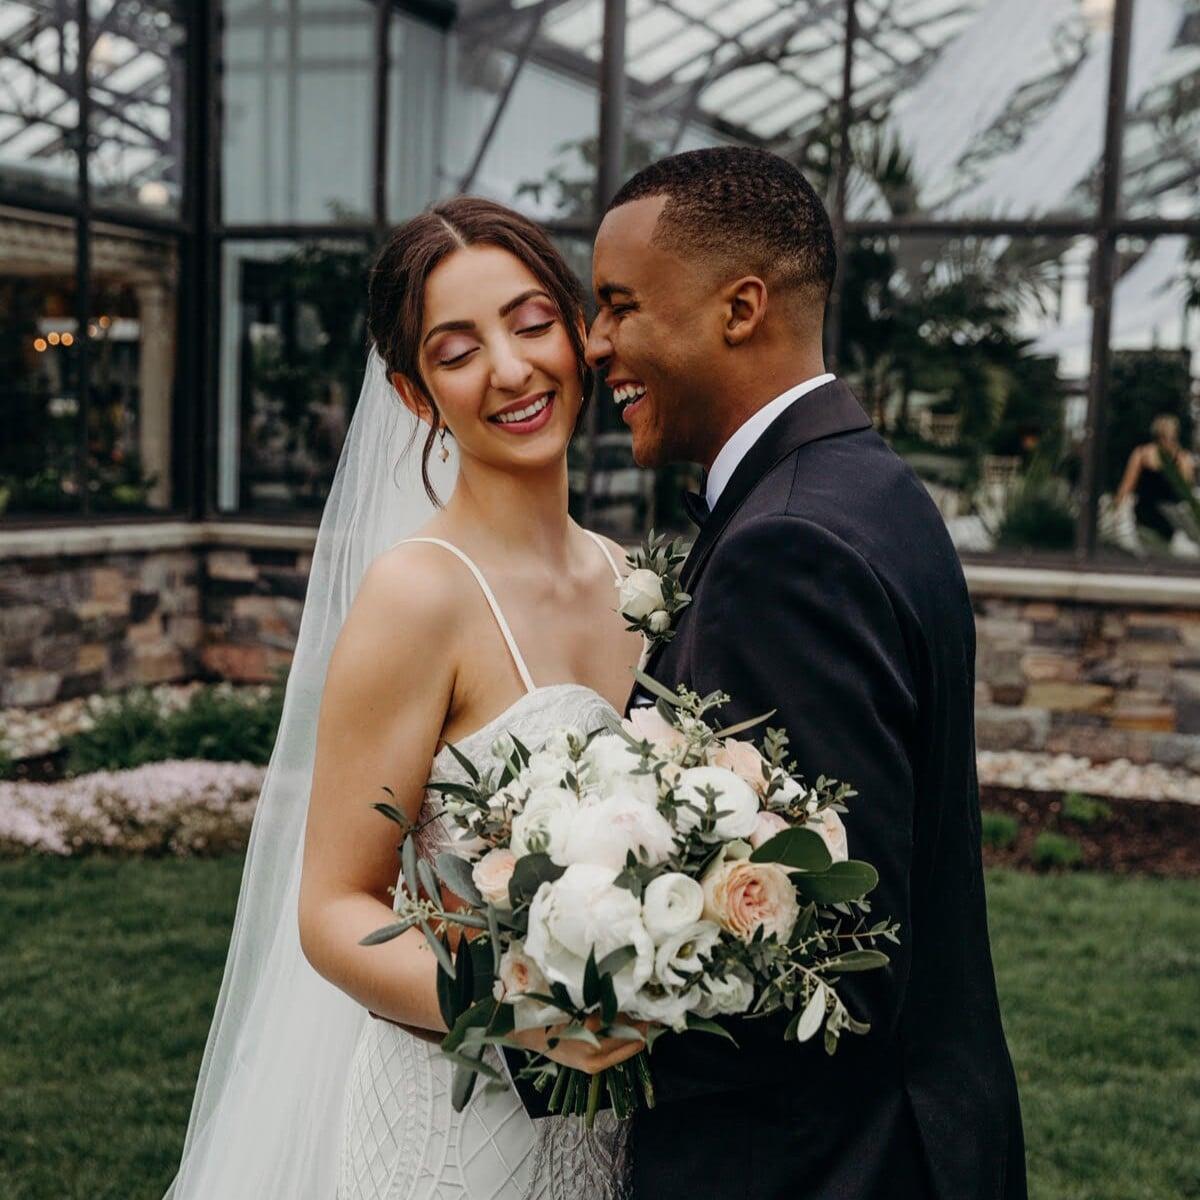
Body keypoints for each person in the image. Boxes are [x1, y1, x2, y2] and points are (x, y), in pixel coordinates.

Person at [163, 197, 642, 1200]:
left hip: (613, 1131)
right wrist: (518, 1007)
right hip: (453, 1134)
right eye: (457, 352)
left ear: (577, 334)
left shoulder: (635, 582)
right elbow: (332, 910)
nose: (509, 370)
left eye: (531, 323)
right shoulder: (418, 596)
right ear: (416, 396)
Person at [585, 147, 1027, 1199]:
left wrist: (552, 1000)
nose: (594, 342)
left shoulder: (788, 548)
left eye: (619, 305)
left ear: (740, 308)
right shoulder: (864, 484)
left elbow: (832, 958)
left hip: (821, 1167)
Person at [1114, 413, 1195, 543]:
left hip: (1167, 516)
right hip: (1149, 513)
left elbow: (1185, 492)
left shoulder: (1181, 458)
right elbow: (1127, 486)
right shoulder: (1143, 454)